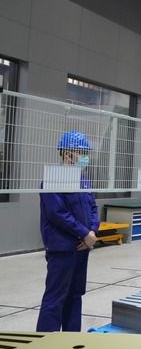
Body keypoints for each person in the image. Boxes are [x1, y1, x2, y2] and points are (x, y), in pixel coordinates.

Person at [36, 131, 99, 332]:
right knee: (55, 297)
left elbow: (93, 207)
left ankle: (72, 339)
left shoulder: (83, 180)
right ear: (68, 153)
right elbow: (56, 213)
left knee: (75, 295)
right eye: (82, 152)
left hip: (82, 248)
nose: (85, 157)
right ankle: (46, 342)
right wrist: (84, 233)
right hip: (62, 248)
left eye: (86, 153)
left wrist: (92, 231)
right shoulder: (53, 179)